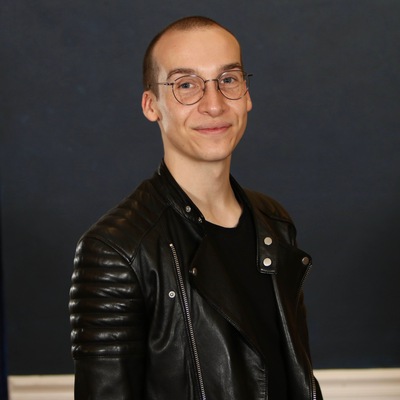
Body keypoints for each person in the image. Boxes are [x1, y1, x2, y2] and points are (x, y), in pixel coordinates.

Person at [69, 16, 323, 400]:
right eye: (186, 85)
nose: (214, 104)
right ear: (151, 106)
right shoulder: (116, 249)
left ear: (247, 94)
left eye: (228, 80)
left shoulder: (274, 223)